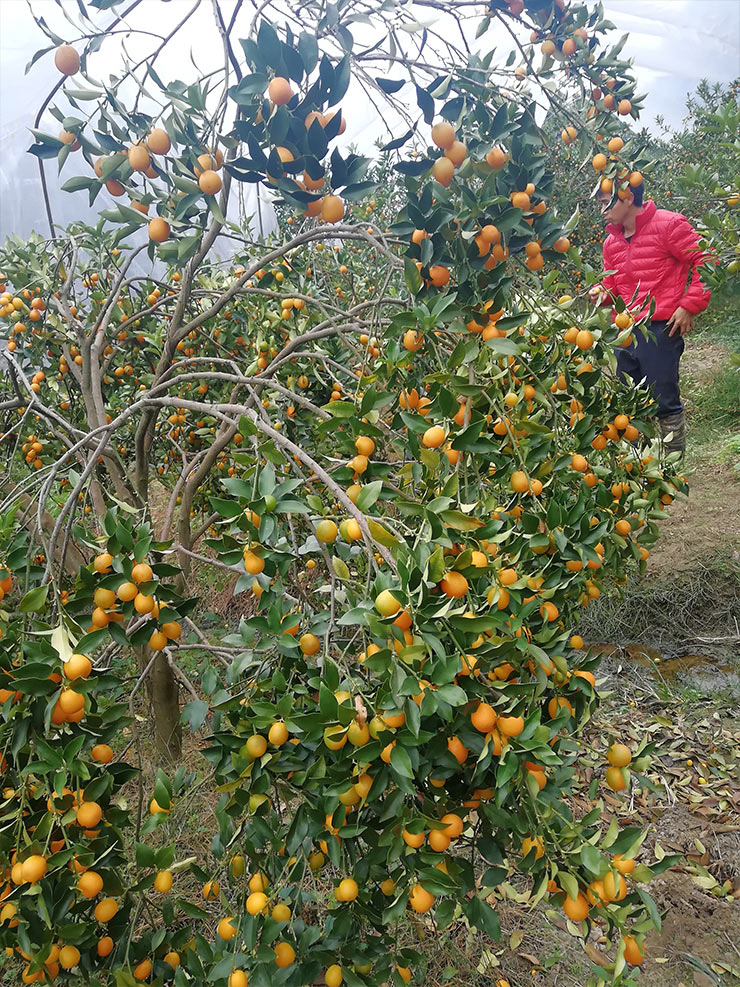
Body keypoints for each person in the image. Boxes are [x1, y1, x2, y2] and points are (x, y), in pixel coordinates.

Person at [590, 180, 711, 455]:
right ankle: (637, 465)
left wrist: (690, 305)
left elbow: (707, 259)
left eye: (605, 202)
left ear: (628, 197)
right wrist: (599, 293)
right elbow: (614, 285)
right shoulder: (612, 242)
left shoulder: (669, 225)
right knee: (629, 402)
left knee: (663, 399)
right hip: (624, 330)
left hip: (660, 327)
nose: (602, 211)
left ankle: (672, 463)